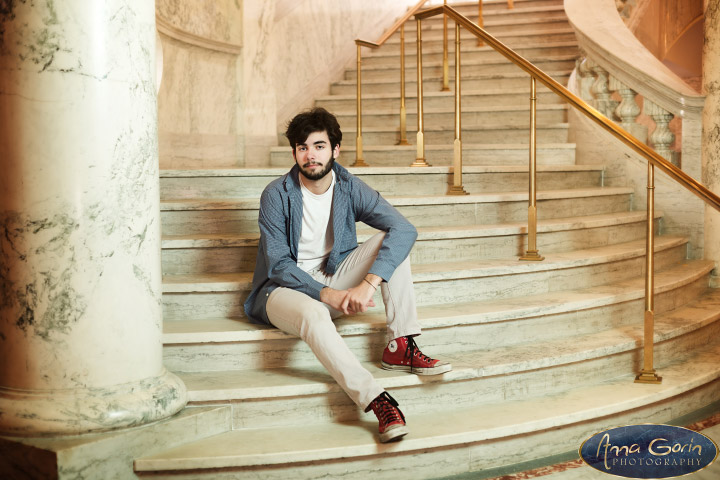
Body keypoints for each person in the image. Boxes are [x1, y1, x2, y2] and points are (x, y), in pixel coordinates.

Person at [244, 107, 451, 443]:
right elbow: (279, 264)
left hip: (333, 275)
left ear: (335, 150)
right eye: (302, 147)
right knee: (313, 312)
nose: (310, 155)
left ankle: (401, 344)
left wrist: (368, 283)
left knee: (392, 240)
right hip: (281, 290)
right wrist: (328, 294)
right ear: (295, 152)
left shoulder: (349, 186)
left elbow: (403, 228)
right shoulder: (276, 194)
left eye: (319, 146)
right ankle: (376, 399)